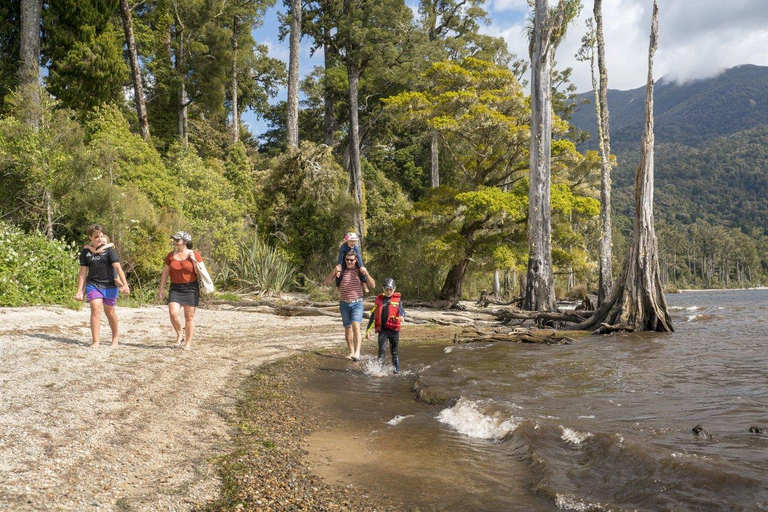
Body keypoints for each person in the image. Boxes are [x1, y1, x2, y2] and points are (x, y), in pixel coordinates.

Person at [74, 224, 130, 348]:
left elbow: (118, 268)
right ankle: (96, 341)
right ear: (90, 237)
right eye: (96, 237)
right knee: (95, 308)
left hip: (110, 285)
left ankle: (115, 337)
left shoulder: (109, 250)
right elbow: (83, 273)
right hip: (93, 284)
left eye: (100, 236)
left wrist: (125, 285)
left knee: (110, 312)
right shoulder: (86, 252)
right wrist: (79, 291)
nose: (99, 239)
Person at [324, 251, 375, 361]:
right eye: (347, 259)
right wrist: (334, 270)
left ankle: (357, 352)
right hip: (344, 304)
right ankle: (351, 352)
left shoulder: (359, 271)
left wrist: (367, 273)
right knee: (348, 329)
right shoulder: (340, 272)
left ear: (356, 260)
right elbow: (326, 282)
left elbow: (373, 285)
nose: (349, 262)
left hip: (357, 303)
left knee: (356, 325)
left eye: (351, 260)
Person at [158, 231, 204, 350]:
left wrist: (195, 264)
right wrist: (161, 288)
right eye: (175, 240)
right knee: (173, 313)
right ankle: (179, 334)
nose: (175, 242)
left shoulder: (194, 254)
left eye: (177, 240)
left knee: (189, 317)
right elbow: (166, 272)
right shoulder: (171, 255)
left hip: (191, 288)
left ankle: (188, 342)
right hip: (175, 288)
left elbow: (200, 273)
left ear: (185, 242)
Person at [365, 278, 405, 373]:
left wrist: (402, 316)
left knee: (394, 352)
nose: (388, 291)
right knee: (382, 350)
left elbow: (402, 311)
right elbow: (373, 317)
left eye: (390, 289)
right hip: (383, 331)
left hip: (394, 331)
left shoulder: (397, 301)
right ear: (383, 289)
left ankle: (396, 371)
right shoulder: (379, 300)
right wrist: (368, 330)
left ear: (394, 289)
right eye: (387, 289)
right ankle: (380, 371)